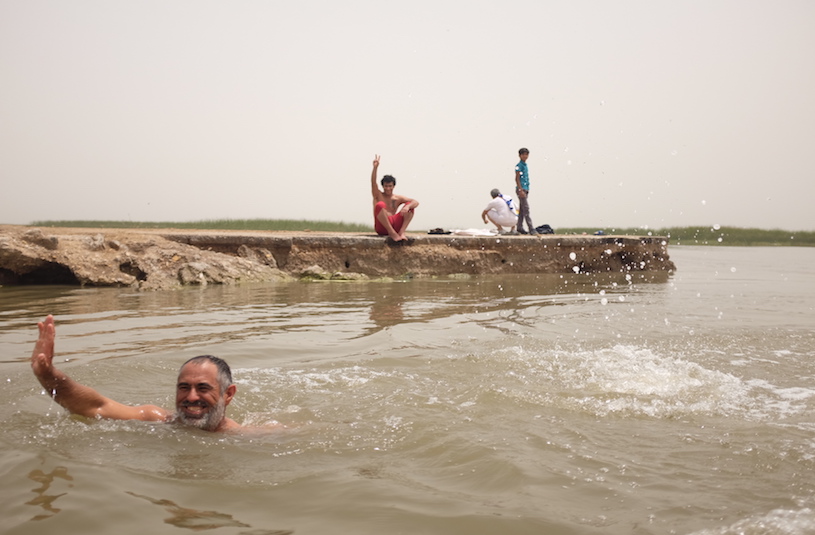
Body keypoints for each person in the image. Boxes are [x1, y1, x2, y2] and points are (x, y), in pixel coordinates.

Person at [30, 315, 241, 433]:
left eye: (203, 388)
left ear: (228, 394)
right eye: (184, 388)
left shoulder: (242, 436)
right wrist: (48, 374)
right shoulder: (156, 419)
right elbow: (95, 406)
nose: (191, 397)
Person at [371, 155, 419, 242]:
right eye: (386, 186)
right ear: (383, 186)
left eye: (390, 186)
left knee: (410, 205)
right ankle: (392, 233)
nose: (388, 188)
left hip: (394, 224)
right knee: (380, 205)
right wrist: (375, 168)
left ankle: (401, 232)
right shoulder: (378, 195)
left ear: (393, 186)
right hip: (382, 226)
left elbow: (415, 202)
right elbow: (373, 183)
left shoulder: (397, 198)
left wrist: (407, 207)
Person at [514, 147, 537, 235]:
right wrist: (520, 190)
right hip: (521, 189)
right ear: (520, 155)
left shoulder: (525, 165)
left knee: (523, 210)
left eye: (526, 154)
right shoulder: (519, 166)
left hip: (526, 188)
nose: (525, 156)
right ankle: (531, 228)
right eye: (523, 154)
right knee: (526, 209)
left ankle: (519, 227)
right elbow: (517, 178)